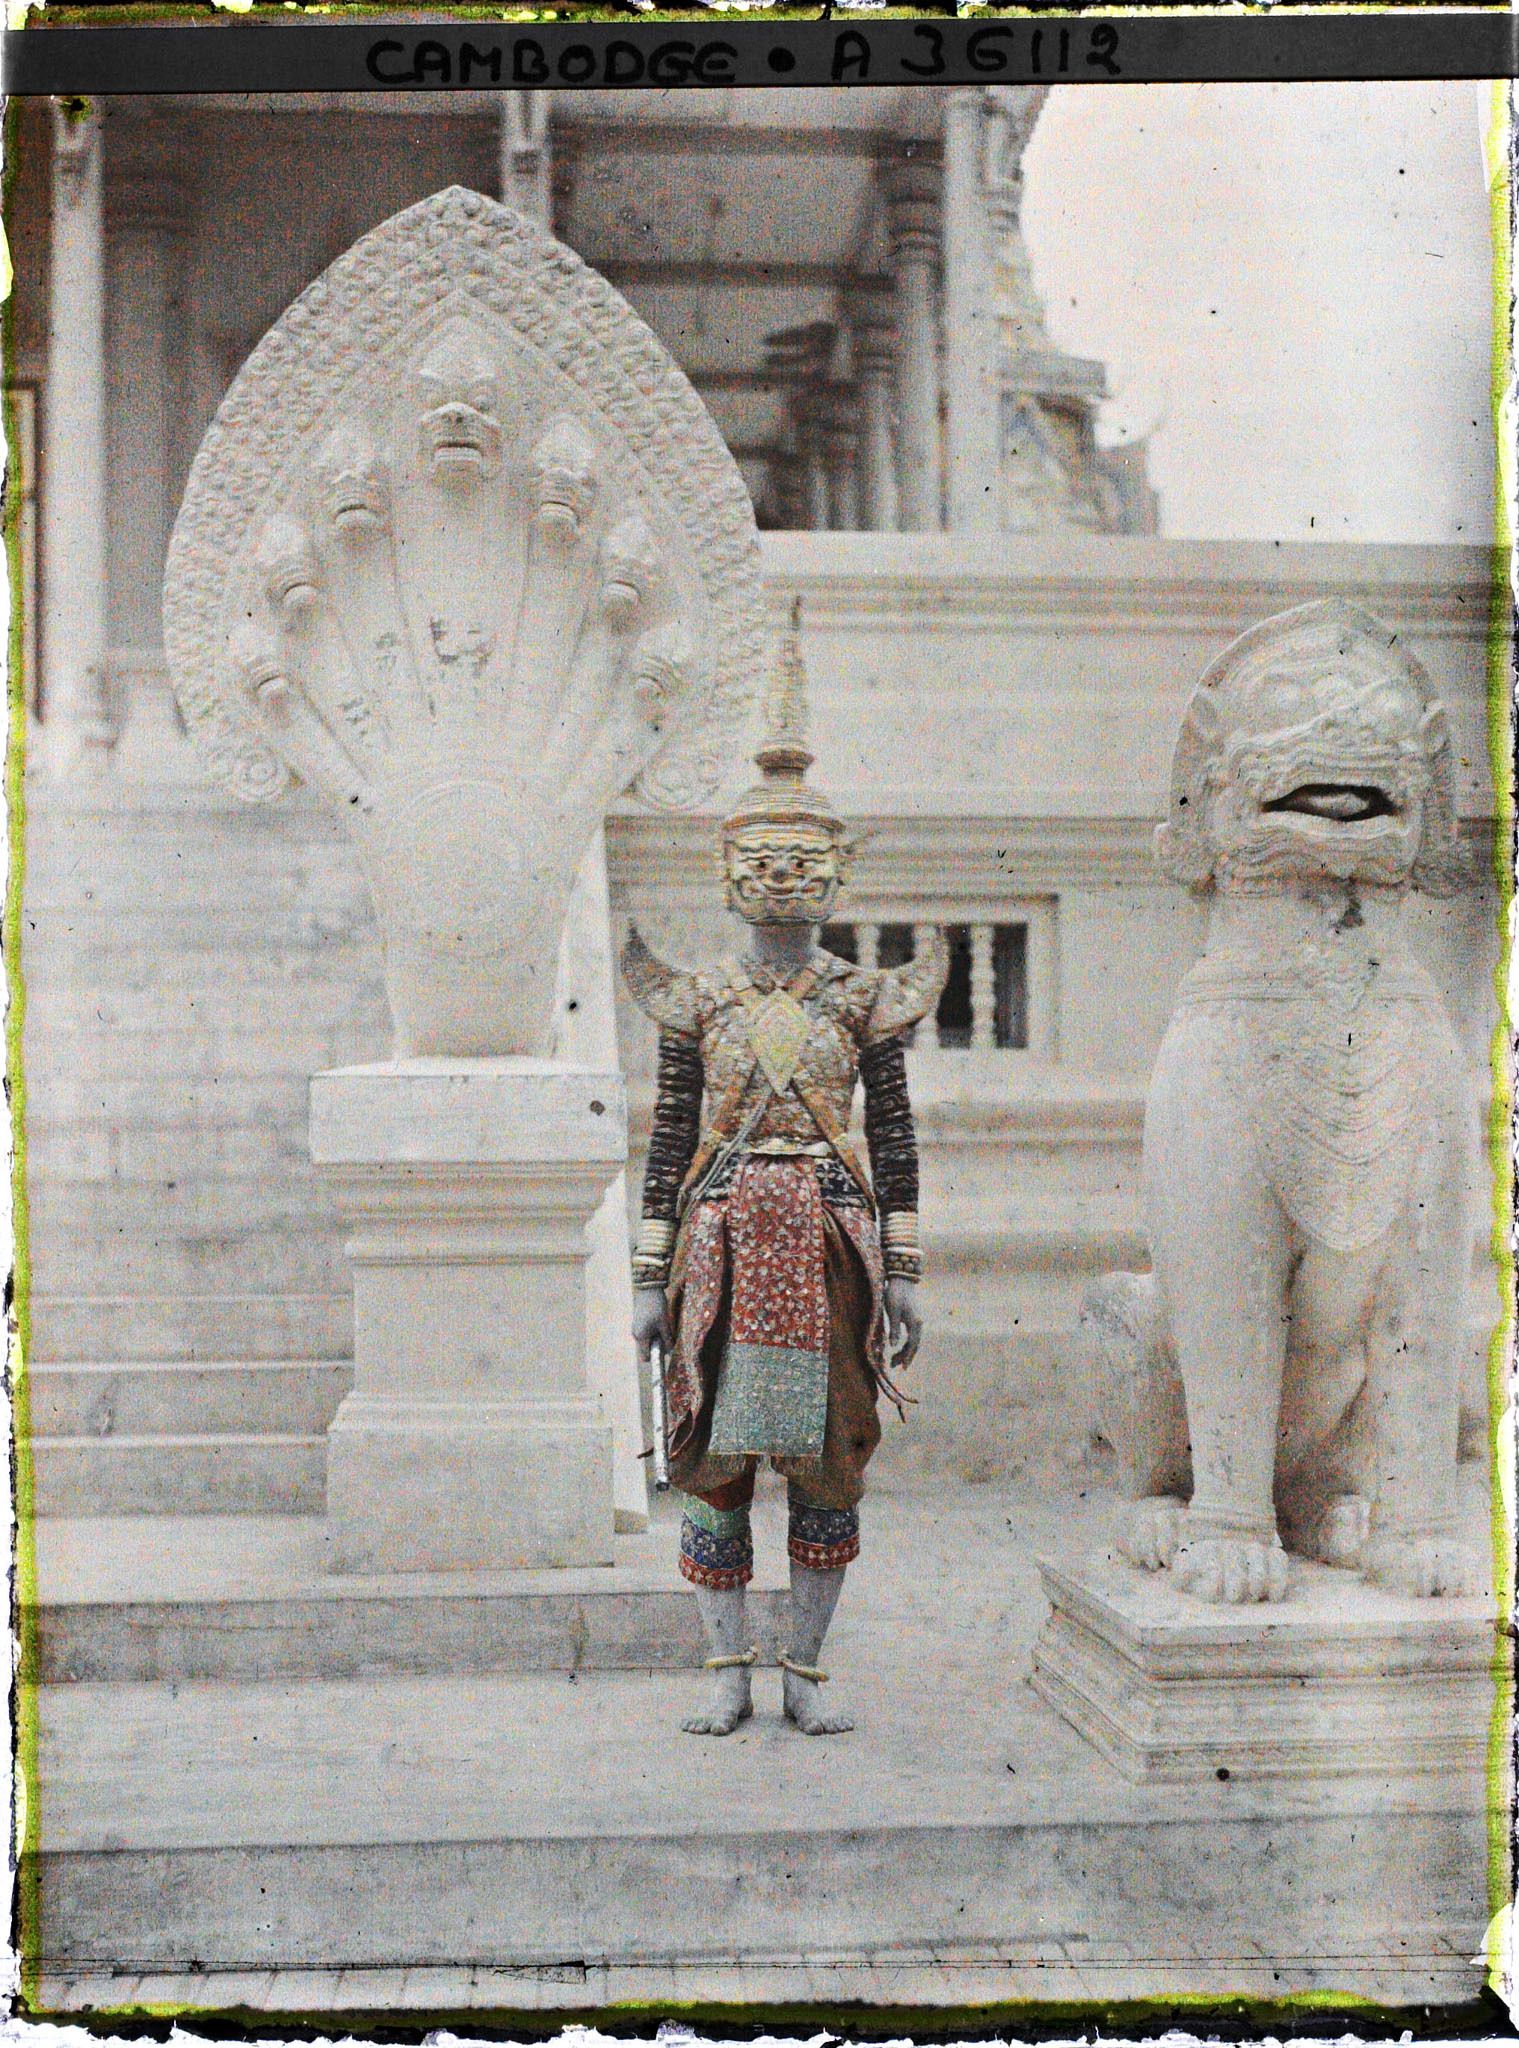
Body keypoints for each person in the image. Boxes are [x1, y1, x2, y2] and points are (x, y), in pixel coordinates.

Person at [622, 611, 947, 1736]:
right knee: (711, 1461)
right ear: (725, 873)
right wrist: (642, 1278)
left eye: (803, 861)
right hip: (713, 1239)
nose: (781, 878)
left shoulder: (861, 998)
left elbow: (893, 1136)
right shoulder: (698, 999)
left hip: (829, 1241)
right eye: (761, 861)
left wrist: (903, 1266)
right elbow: (670, 1138)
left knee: (824, 1463)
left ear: (838, 872)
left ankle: (803, 1673)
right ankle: (725, 1669)